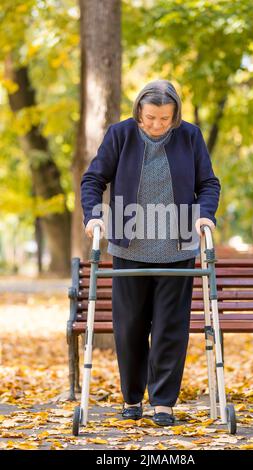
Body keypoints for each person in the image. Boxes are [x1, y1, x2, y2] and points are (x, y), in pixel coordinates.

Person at [80, 79, 221, 426]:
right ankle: (131, 397)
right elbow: (93, 179)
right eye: (150, 117)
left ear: (175, 116)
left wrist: (205, 215)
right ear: (138, 113)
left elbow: (208, 183)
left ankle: (162, 402)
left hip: (177, 245)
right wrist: (93, 217)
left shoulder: (190, 136)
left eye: (165, 118)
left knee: (171, 327)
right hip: (129, 242)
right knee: (129, 326)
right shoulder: (121, 134)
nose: (157, 125)